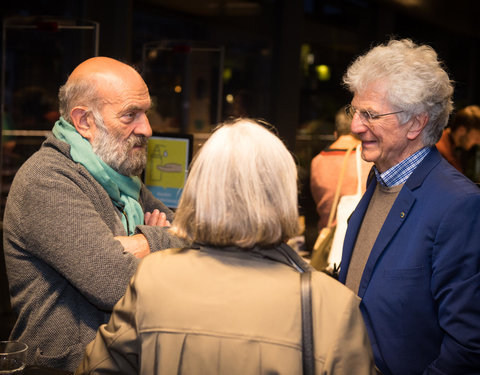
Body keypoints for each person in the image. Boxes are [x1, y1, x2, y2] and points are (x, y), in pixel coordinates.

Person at [75, 118, 377, 375]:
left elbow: (99, 366)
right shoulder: (332, 305)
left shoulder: (154, 277)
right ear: (284, 195)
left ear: (198, 191)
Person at [3, 57, 185, 372]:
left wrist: (140, 243)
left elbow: (195, 235)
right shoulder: (46, 179)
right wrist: (159, 237)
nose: (147, 128)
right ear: (84, 121)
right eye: (131, 115)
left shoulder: (123, 178)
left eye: (145, 113)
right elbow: (115, 284)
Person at [338, 38, 480, 375]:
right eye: (355, 111)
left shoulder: (459, 206)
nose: (356, 126)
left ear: (415, 123)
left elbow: (469, 344)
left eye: (370, 114)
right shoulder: (380, 181)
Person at [310, 106, 373, 230]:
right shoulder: (368, 159)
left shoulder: (317, 161)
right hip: (357, 237)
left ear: (335, 133)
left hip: (328, 241)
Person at [436, 104, 480, 177]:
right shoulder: (439, 150)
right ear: (461, 130)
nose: (478, 142)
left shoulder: (455, 147)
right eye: (477, 138)